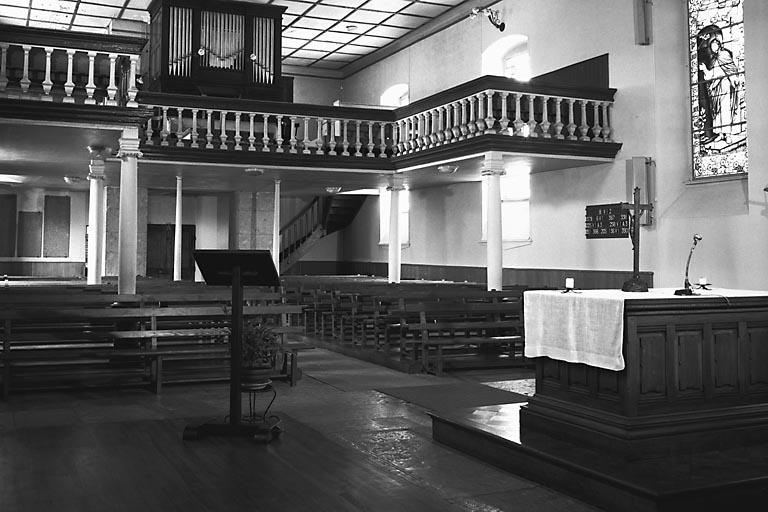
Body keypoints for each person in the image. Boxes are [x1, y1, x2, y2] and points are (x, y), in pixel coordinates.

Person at [696, 24, 741, 146]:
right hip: (717, 90)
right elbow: (712, 75)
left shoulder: (724, 55)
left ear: (719, 45)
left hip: (726, 88)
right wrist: (705, 69)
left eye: (715, 46)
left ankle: (728, 135)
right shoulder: (715, 60)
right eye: (712, 46)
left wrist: (734, 79)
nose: (714, 48)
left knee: (725, 111)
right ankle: (720, 134)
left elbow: (730, 70)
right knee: (718, 112)